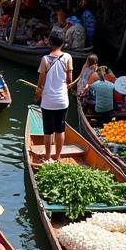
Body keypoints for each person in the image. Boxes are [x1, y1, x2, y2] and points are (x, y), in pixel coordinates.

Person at [35, 30, 73, 162]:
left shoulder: (45, 59)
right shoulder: (68, 57)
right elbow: (69, 80)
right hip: (62, 100)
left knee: (48, 131)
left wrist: (37, 95)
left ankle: (47, 157)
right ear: (63, 43)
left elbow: (40, 83)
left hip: (48, 100)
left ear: (50, 42)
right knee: (60, 130)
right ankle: (57, 157)